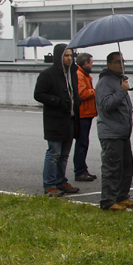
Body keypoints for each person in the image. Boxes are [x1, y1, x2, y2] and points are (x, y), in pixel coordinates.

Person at [33, 44, 81, 196]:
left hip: (70, 119)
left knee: (64, 154)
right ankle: (49, 184)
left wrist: (76, 100)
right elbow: (38, 94)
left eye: (70, 56)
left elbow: (74, 92)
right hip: (55, 120)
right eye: (66, 56)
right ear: (59, 57)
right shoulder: (48, 74)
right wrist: (57, 101)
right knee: (54, 153)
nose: (69, 58)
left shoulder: (72, 73)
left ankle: (61, 181)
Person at [95, 52, 133, 210]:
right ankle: (108, 200)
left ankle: (122, 196)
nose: (121, 64)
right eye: (117, 62)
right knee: (112, 167)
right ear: (109, 64)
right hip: (111, 133)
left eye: (123, 61)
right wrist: (121, 91)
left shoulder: (119, 80)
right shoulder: (105, 82)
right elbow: (106, 105)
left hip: (122, 133)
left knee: (126, 166)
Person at [73, 52, 98, 181]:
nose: (92, 64)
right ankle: (79, 171)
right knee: (82, 143)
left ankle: (83, 169)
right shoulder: (79, 75)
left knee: (84, 143)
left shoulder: (84, 75)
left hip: (86, 113)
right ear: (85, 63)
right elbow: (82, 94)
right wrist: (95, 91)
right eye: (91, 62)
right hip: (83, 114)